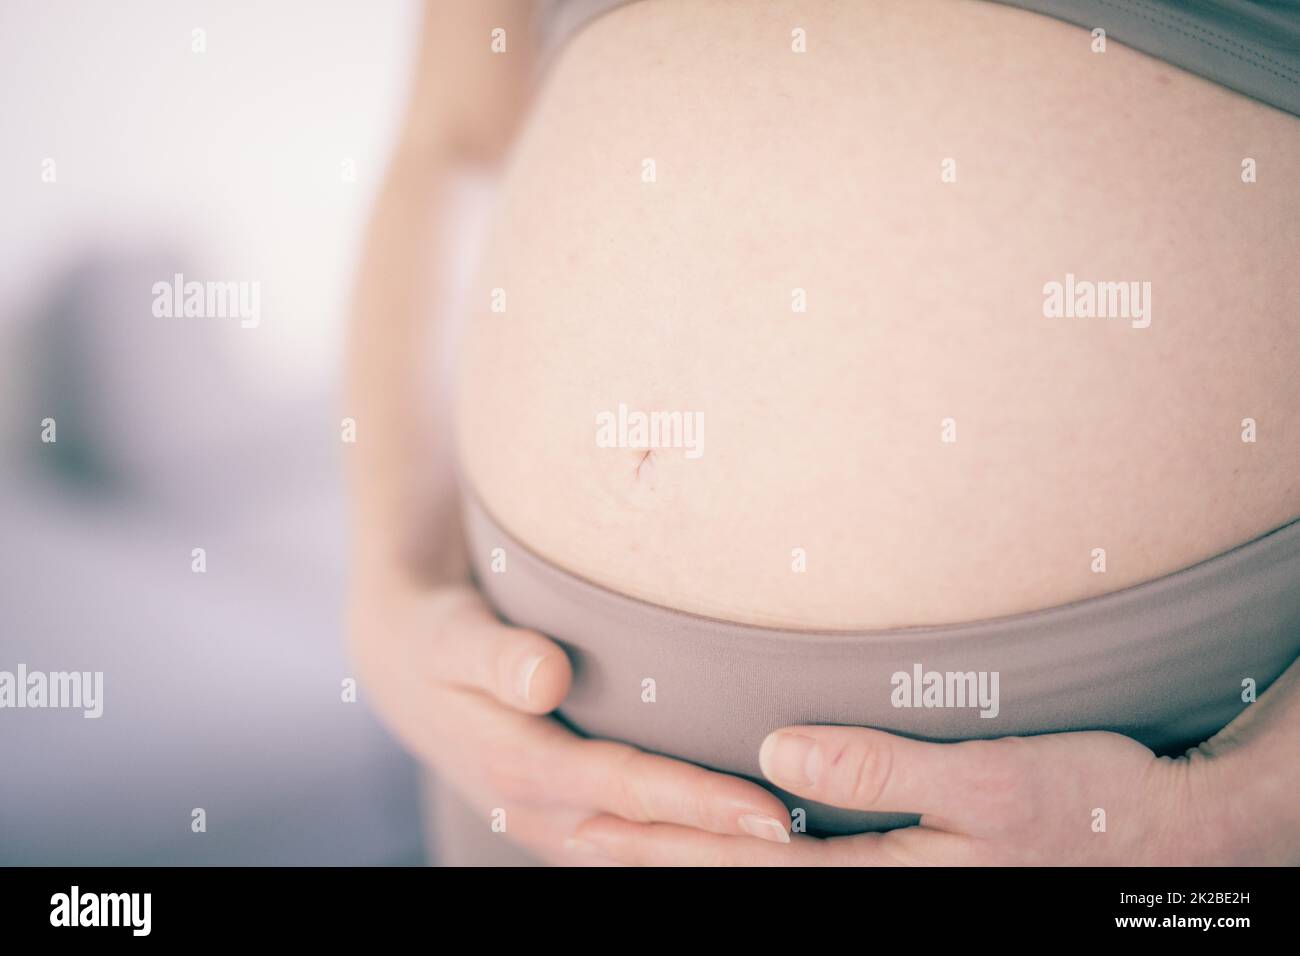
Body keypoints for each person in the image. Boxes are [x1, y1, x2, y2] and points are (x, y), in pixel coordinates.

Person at [347, 0, 1300, 865]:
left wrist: (1227, 814)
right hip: (541, 771)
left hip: (1163, 770)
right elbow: (458, 136)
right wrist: (387, 588)